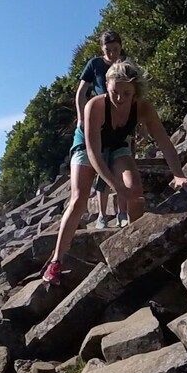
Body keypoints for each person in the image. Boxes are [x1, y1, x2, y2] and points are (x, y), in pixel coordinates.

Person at [43, 61, 187, 286]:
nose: (120, 98)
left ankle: (135, 246)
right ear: (106, 85)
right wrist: (115, 186)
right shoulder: (94, 106)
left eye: (126, 93)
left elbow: (165, 143)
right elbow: (94, 154)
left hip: (117, 143)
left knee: (135, 192)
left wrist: (178, 174)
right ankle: (56, 261)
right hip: (87, 144)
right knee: (78, 199)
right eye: (114, 92)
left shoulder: (143, 108)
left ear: (135, 91)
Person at [76, 30, 125, 229]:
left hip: (122, 121)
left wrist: (140, 123)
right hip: (101, 123)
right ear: (102, 49)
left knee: (123, 166)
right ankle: (102, 216)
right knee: (102, 167)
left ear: (121, 46)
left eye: (116, 49)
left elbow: (136, 93)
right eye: (108, 50)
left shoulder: (126, 64)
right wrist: (81, 118)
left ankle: (123, 212)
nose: (112, 54)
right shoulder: (94, 65)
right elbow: (81, 93)